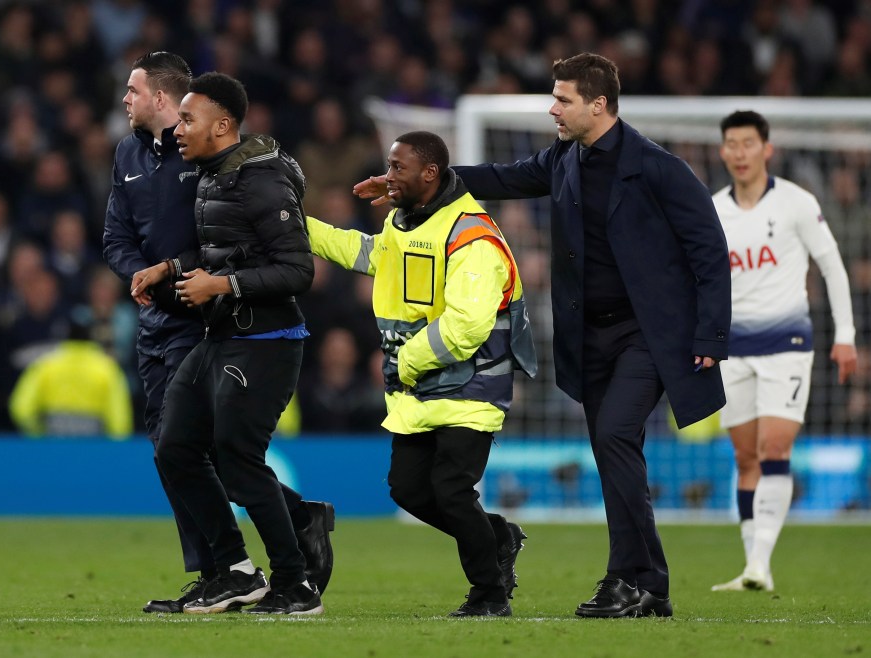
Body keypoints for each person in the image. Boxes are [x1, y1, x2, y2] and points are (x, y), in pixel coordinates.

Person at [354, 52, 732, 618]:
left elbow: (709, 251)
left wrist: (710, 336)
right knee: (613, 452)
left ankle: (635, 579)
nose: (552, 108)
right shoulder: (566, 158)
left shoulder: (658, 168)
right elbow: (505, 178)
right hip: (592, 337)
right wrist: (420, 184)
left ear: (598, 105)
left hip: (647, 336)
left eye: (563, 99)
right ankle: (639, 582)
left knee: (614, 439)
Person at [102, 53, 333, 614]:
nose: (180, 130)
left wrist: (219, 285)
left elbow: (298, 270)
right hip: (217, 334)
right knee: (174, 448)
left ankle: (293, 580)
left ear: (221, 125)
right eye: (178, 120)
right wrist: (169, 270)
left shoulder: (260, 179)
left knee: (233, 458)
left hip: (263, 338)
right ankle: (234, 568)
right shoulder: (210, 177)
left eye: (188, 120)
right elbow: (211, 253)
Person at [311, 130, 535, 617]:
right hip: (426, 387)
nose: (387, 177)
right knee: (409, 489)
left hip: (472, 384)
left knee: (452, 491)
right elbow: (372, 255)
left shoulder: (472, 235)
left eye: (397, 168)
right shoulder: (407, 222)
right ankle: (497, 536)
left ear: (430, 173)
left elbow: (466, 327)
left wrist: (403, 361)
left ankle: (489, 595)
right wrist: (298, 229)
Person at [709, 110, 857, 592]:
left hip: (787, 345)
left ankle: (760, 563)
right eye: (731, 143)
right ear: (723, 151)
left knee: (776, 447)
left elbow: (832, 267)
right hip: (734, 349)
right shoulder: (713, 210)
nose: (739, 152)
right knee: (746, 455)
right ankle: (754, 564)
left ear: (766, 149)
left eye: (748, 143)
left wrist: (846, 335)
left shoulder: (795, 202)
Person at [8, 320, 133, 439]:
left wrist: (38, 435)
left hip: (52, 447)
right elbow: (120, 423)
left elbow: (21, 409)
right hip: (93, 450)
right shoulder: (107, 369)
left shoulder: (45, 365)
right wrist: (110, 449)